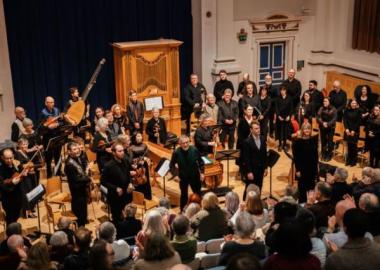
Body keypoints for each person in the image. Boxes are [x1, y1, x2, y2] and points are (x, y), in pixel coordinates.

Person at [100, 143, 134, 223]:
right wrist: (115, 188)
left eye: (123, 150)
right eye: (120, 151)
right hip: (115, 196)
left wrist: (130, 183)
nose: (122, 152)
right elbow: (103, 181)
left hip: (127, 194)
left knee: (128, 217)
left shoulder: (125, 161)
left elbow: (129, 174)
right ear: (114, 153)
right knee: (117, 218)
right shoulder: (108, 166)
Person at [170, 135, 204, 211]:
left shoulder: (194, 150)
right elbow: (171, 165)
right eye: (183, 143)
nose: (185, 145)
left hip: (194, 175)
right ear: (179, 143)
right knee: (184, 195)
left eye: (187, 142)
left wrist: (202, 173)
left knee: (198, 193)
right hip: (183, 176)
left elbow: (201, 162)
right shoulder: (176, 152)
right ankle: (183, 211)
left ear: (189, 142)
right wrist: (175, 175)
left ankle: (200, 209)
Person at [64, 142, 91, 226]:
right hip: (77, 192)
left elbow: (82, 168)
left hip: (81, 190)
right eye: (74, 149)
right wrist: (88, 178)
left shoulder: (76, 158)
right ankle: (80, 229)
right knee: (79, 214)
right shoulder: (69, 164)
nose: (77, 151)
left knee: (83, 211)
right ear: (69, 152)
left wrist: (87, 170)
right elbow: (76, 179)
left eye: (77, 148)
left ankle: (83, 223)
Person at [0, 148, 28, 225]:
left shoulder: (17, 165)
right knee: (10, 219)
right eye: (7, 158)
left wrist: (24, 174)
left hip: (18, 196)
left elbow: (22, 174)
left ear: (13, 156)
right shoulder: (1, 169)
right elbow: (2, 185)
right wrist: (12, 182)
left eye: (10, 158)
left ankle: (14, 233)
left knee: (16, 216)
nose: (9, 160)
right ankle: (11, 235)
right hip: (8, 199)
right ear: (2, 158)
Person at [292, 122, 319, 203]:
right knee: (302, 188)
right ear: (302, 130)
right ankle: (302, 204)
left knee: (311, 187)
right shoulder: (297, 142)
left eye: (308, 128)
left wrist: (317, 167)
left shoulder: (313, 140)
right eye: (305, 128)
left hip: (312, 168)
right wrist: (297, 170)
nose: (307, 130)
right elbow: (296, 158)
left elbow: (316, 156)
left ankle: (310, 203)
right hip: (302, 169)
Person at [241, 121, 268, 198]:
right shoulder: (247, 142)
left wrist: (265, 167)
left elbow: (264, 155)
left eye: (259, 128)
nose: (258, 130)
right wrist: (249, 172)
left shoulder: (263, 139)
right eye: (256, 128)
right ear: (251, 130)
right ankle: (245, 202)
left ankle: (257, 202)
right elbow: (246, 158)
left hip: (260, 169)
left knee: (259, 187)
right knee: (249, 188)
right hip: (252, 170)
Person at [39, 96, 64, 178]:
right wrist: (48, 127)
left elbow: (61, 122)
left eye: (53, 102)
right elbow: (40, 127)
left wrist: (57, 124)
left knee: (58, 156)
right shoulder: (43, 113)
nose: (52, 104)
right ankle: (49, 174)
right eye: (50, 102)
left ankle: (58, 172)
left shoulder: (57, 110)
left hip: (57, 136)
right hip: (48, 138)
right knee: (48, 158)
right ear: (46, 103)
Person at [14, 138, 37, 218]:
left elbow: (27, 164)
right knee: (26, 194)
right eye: (23, 144)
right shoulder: (18, 153)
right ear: (19, 145)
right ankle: (27, 212)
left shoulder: (24, 152)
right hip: (23, 177)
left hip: (29, 176)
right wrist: (27, 168)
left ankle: (30, 209)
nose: (25, 146)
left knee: (30, 192)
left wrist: (31, 168)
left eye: (26, 144)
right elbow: (19, 165)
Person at [130, 132, 152, 199]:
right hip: (136, 166)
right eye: (138, 136)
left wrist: (147, 160)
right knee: (138, 181)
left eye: (140, 136)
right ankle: (138, 197)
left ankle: (146, 195)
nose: (139, 138)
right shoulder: (131, 147)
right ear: (134, 137)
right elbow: (131, 159)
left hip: (144, 167)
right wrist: (141, 159)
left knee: (145, 180)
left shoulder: (144, 145)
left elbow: (148, 156)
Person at [343, 99, 361, 166]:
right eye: (352, 103)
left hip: (355, 131)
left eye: (355, 103)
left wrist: (353, 130)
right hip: (348, 131)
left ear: (356, 104)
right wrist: (347, 129)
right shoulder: (347, 110)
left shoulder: (359, 111)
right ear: (350, 104)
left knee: (354, 146)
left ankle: (353, 161)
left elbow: (358, 122)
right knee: (349, 146)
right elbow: (344, 119)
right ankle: (348, 160)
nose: (353, 104)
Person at [275, 86, 293, 151]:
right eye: (281, 90)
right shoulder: (277, 98)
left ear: (285, 91)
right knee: (280, 131)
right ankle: (280, 144)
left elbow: (291, 108)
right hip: (280, 117)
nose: (282, 92)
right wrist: (278, 116)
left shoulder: (289, 98)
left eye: (283, 90)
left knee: (285, 132)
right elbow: (276, 108)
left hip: (287, 117)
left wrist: (289, 116)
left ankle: (285, 145)